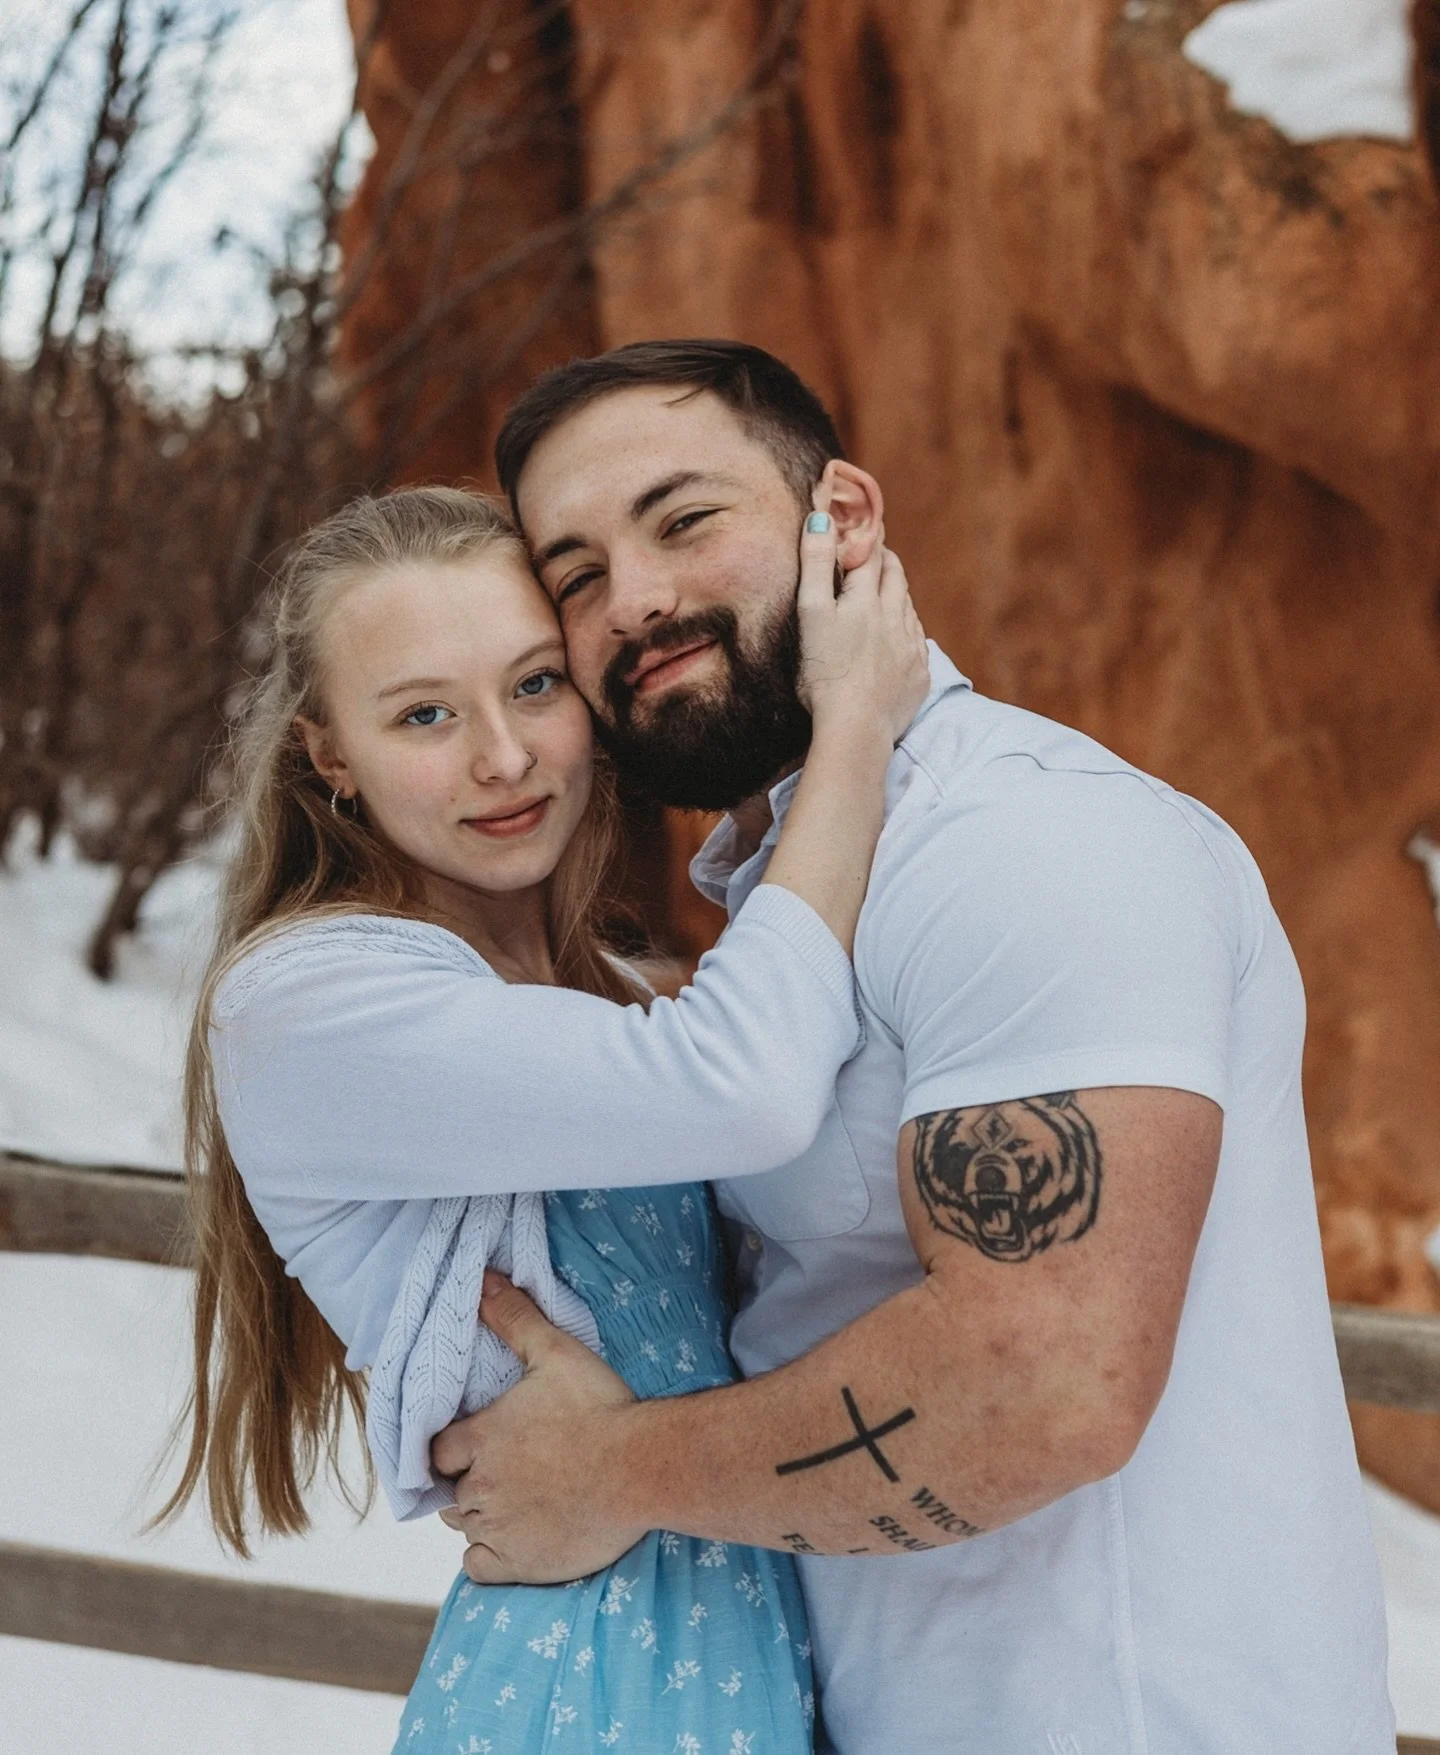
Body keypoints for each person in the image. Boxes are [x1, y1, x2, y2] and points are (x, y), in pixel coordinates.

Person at [430, 340, 1397, 1754]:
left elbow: (1047, 1380)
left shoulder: (1025, 839)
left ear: (845, 521)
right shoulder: (798, 891)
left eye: (685, 520)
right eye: (574, 575)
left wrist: (608, 1470)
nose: (632, 598)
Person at [159, 484, 929, 1751]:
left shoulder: (616, 999)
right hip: (585, 1681)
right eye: (423, 714)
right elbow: (747, 1081)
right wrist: (852, 720)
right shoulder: (310, 1002)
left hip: (761, 1647)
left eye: (533, 687)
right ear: (328, 753)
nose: (503, 759)